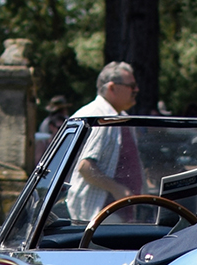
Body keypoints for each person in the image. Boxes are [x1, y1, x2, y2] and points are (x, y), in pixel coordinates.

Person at [61, 61, 142, 223]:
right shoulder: (100, 116)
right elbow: (86, 167)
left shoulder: (118, 115)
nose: (136, 90)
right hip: (101, 214)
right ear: (112, 88)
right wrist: (118, 189)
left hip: (113, 212)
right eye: (131, 86)